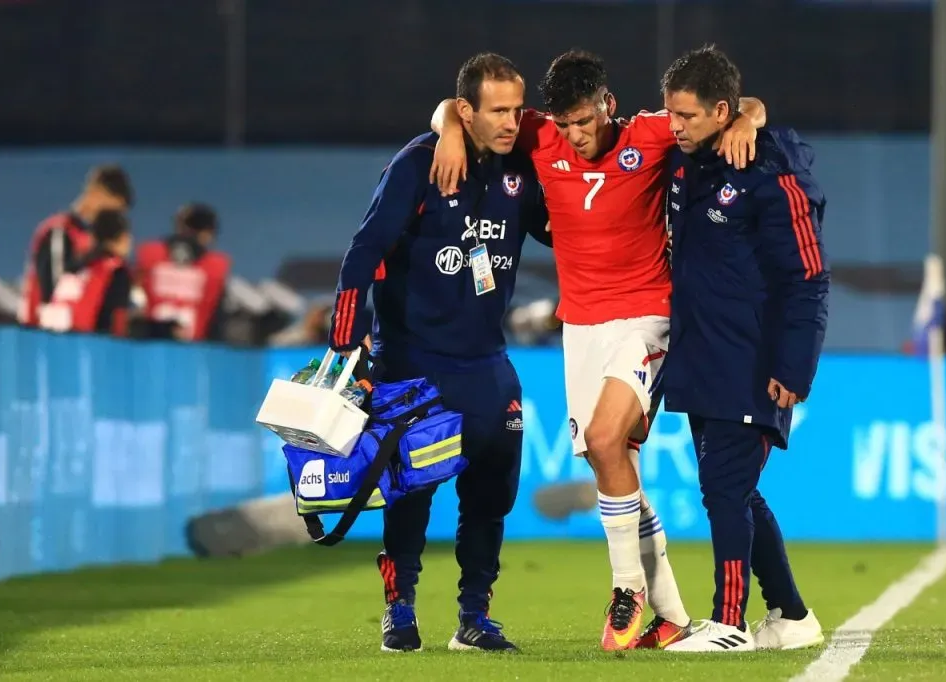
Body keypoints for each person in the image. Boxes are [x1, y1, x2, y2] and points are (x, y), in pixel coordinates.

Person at [429, 49, 765, 651]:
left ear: (607, 105)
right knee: (613, 469)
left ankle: (627, 587)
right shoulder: (537, 135)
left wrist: (744, 121)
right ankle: (670, 619)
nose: (576, 136)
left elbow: (745, 107)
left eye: (585, 120)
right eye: (564, 125)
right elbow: (456, 111)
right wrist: (451, 130)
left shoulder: (647, 135)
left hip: (646, 318)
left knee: (609, 440)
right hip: (580, 327)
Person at [327, 53, 551, 654]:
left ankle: (474, 617)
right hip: (414, 362)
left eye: (516, 108)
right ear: (466, 110)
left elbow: (564, 230)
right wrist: (347, 338)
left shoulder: (522, 170)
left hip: (486, 363)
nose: (510, 120)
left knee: (491, 494)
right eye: (496, 110)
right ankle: (399, 611)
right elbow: (364, 251)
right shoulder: (417, 165)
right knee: (410, 491)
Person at [657, 45, 828, 652]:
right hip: (703, 358)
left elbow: (807, 277)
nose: (674, 126)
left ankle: (728, 623)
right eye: (669, 113)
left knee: (724, 491)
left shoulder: (772, 169)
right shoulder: (688, 163)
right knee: (735, 489)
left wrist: (794, 366)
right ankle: (791, 616)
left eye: (687, 116)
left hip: (754, 361)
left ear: (721, 110)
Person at [18, 164, 133, 328]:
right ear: (96, 192)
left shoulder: (92, 243)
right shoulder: (59, 231)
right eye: (112, 209)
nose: (113, 218)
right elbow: (53, 295)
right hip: (43, 338)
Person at [134, 202, 231, 342]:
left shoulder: (150, 256)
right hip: (192, 355)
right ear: (207, 234)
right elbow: (217, 324)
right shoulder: (214, 268)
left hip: (148, 351)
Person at [37, 209, 134, 338]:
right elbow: (118, 322)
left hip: (53, 344)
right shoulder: (116, 271)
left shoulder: (75, 266)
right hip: (90, 347)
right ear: (123, 238)